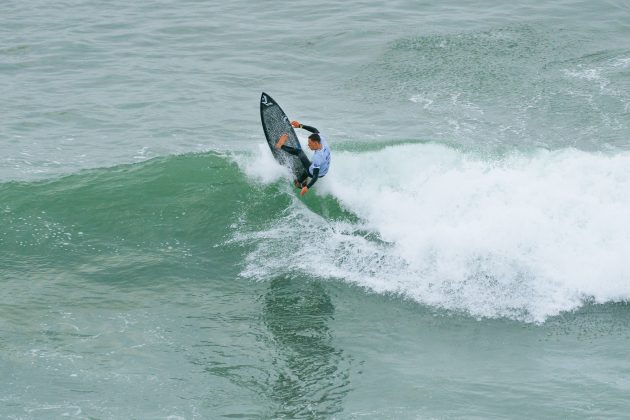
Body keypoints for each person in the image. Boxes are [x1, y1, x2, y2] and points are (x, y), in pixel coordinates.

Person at [275, 120, 331, 196]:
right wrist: (300, 126)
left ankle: (280, 145)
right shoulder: (322, 140)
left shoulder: (318, 157)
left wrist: (307, 187)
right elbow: (315, 130)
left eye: (310, 144)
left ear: (316, 143)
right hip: (324, 170)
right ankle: (302, 180)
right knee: (310, 165)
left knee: (299, 152)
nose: (308, 145)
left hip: (318, 173)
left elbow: (315, 176)